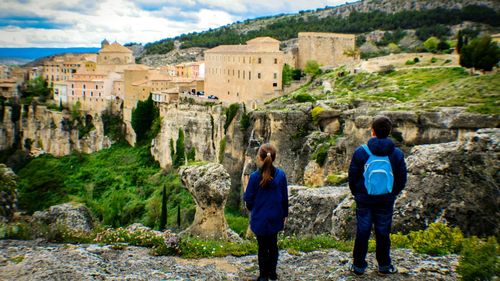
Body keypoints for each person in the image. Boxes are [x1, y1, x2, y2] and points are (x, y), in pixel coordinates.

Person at [348, 116, 407, 275]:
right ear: (389, 132)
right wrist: (392, 193)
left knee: (363, 231)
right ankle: (384, 266)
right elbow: (402, 179)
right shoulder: (396, 154)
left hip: (365, 199)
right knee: (383, 231)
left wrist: (357, 193)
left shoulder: (361, 152)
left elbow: (352, 176)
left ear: (372, 131)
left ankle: (358, 266)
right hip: (386, 199)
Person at [244, 143, 289, 281]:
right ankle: (273, 274)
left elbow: (248, 198)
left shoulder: (254, 177)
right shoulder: (281, 175)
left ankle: (263, 276)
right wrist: (285, 214)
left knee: (262, 247)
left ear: (259, 158)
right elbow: (284, 198)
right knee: (273, 245)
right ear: (274, 158)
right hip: (276, 216)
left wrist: (253, 209)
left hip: (260, 218)